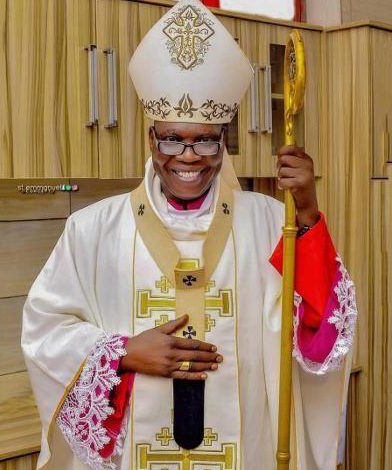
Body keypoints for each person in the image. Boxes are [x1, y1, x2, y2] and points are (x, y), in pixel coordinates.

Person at [22, 0, 357, 468]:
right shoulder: (92, 229)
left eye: (205, 139)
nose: (188, 155)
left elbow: (322, 329)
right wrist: (123, 353)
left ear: (223, 143)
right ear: (151, 140)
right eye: (172, 138)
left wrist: (306, 212)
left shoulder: (269, 222)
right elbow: (44, 330)